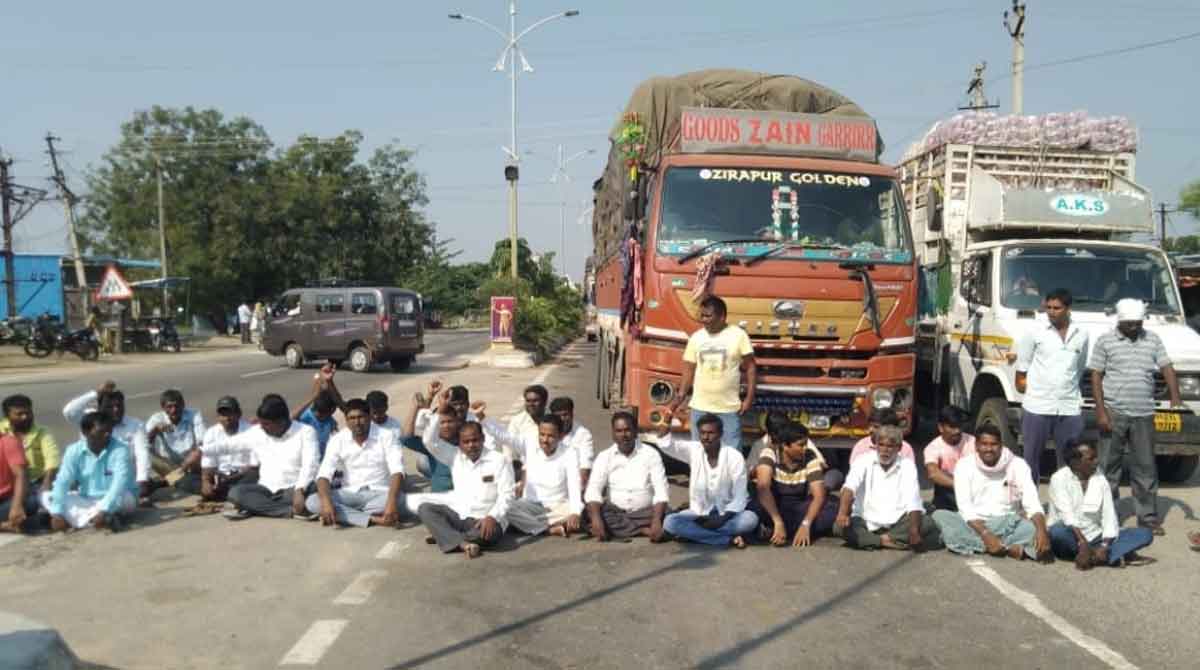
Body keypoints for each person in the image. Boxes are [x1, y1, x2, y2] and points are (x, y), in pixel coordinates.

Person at [1090, 298, 1181, 536]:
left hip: (1144, 413)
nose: (1133, 327)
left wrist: (1175, 395)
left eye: (1137, 323)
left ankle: (1148, 517)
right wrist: (1100, 411)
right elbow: (1096, 376)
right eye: (1129, 323)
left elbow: (1166, 367)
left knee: (1145, 467)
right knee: (1109, 467)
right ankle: (1109, 515)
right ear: (1120, 321)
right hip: (1113, 412)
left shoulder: (1152, 339)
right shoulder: (1105, 341)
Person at [931, 425, 1052, 561]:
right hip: (974, 524)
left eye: (994, 444)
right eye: (984, 444)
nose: (989, 449)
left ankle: (984, 546)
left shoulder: (1018, 464)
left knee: (1034, 530)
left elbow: (1032, 503)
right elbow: (965, 508)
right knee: (939, 515)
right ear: (976, 446)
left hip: (1008, 523)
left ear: (1001, 445)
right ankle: (1008, 548)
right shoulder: (964, 465)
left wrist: (1042, 531)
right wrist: (985, 533)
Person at [1016, 288, 1089, 483]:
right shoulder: (1035, 331)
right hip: (1037, 406)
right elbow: (1022, 365)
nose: (1051, 312)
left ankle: (1065, 507)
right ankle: (1031, 507)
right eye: (1048, 307)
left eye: (1057, 308)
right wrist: (1027, 390)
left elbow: (1079, 367)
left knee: (1070, 462)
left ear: (1068, 309)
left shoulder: (1081, 333)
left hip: (1069, 406)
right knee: (1030, 460)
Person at [652, 413, 757, 548]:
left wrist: (721, 519)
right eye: (702, 433)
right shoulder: (694, 450)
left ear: (720, 434)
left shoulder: (734, 457)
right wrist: (666, 419)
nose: (706, 437)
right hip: (699, 513)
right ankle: (725, 540)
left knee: (749, 520)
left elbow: (740, 496)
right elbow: (664, 443)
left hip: (727, 514)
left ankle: (694, 535)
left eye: (711, 433)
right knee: (670, 522)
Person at [1047, 442, 1154, 569]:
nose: (1097, 461)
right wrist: (1082, 543)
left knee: (1145, 534)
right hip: (1071, 536)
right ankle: (1107, 556)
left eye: (1096, 457)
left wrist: (1105, 546)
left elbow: (1109, 517)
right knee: (1057, 532)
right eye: (1091, 459)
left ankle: (1092, 557)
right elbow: (1067, 516)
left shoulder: (1100, 478)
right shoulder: (1059, 479)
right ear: (1075, 463)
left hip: (1095, 536)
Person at [668, 295, 757, 448]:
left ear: (722, 316)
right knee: (700, 453)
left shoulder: (738, 335)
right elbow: (689, 370)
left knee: (732, 454)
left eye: (708, 316)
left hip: (728, 409)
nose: (703, 319)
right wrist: (680, 397)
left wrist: (749, 398)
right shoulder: (696, 338)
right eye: (701, 315)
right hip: (700, 408)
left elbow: (750, 367)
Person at [417, 421, 515, 558]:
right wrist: (438, 413)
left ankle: (446, 536)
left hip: (484, 521)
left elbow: (508, 494)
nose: (471, 445)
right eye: (466, 442)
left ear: (483, 439)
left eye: (475, 440)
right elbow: (429, 441)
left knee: (489, 533)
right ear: (460, 443)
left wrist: (493, 516)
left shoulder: (499, 460)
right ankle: (460, 542)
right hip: (460, 517)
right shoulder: (454, 456)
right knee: (425, 508)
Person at [836, 425, 942, 551]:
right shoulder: (862, 460)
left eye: (890, 446)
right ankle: (887, 541)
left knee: (927, 523)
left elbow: (913, 500)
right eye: (881, 445)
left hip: (898, 521)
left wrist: (913, 531)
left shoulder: (907, 465)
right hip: (865, 520)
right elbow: (849, 487)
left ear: (899, 448)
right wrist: (842, 513)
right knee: (839, 527)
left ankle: (870, 540)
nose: (885, 450)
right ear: (875, 445)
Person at [219, 395, 320, 520]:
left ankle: (256, 507)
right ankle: (290, 511)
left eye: (266, 424)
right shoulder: (259, 432)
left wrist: (300, 489)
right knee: (236, 493)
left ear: (281, 422)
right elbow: (231, 444)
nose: (262, 427)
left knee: (314, 489)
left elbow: (311, 464)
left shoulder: (306, 432)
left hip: (293, 488)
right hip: (266, 489)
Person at [307, 398, 405, 528]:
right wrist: (326, 502)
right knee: (313, 501)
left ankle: (343, 515)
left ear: (369, 417)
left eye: (361, 417)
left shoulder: (387, 436)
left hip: (380, 492)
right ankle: (375, 519)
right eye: (351, 418)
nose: (357, 422)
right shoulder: (338, 439)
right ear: (346, 421)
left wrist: (391, 501)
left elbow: (397, 471)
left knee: (401, 500)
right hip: (350, 492)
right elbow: (324, 474)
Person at [748, 420, 842, 547]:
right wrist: (778, 521)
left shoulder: (809, 455)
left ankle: (772, 531)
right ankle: (781, 529)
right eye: (800, 445)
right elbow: (763, 488)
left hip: (799, 507)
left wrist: (806, 524)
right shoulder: (770, 453)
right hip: (774, 505)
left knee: (833, 505)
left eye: (805, 445)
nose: (804, 449)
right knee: (752, 508)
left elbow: (818, 495)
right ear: (785, 446)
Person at [584, 411, 669, 542]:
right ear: (613, 434)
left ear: (636, 432)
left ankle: (623, 530)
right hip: (615, 513)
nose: (624, 435)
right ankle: (643, 530)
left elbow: (661, 490)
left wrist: (657, 520)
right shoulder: (604, 456)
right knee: (590, 512)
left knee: (669, 517)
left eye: (628, 430)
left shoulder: (651, 454)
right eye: (618, 431)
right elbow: (594, 489)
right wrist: (596, 519)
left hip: (646, 513)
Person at [63, 382, 152, 503]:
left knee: (121, 501)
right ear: (99, 408)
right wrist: (96, 393)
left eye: (119, 406)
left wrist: (142, 480)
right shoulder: (89, 419)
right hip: (90, 483)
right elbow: (69, 411)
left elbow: (142, 454)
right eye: (110, 407)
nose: (116, 410)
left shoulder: (136, 425)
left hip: (121, 483)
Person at [47, 411, 136, 531]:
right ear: (85, 432)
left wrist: (104, 510)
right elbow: (63, 480)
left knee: (126, 498)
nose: (107, 435)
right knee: (46, 496)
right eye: (101, 432)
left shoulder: (121, 449)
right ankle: (98, 520)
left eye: (109, 431)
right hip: (85, 499)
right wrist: (56, 513)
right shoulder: (73, 450)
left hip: (116, 497)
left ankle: (82, 520)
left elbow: (119, 484)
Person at [505, 414, 584, 537]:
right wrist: (482, 417)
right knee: (506, 508)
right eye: (542, 435)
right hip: (530, 504)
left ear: (561, 436)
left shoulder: (570, 453)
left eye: (550, 436)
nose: (545, 440)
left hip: (558, 506)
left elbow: (574, 485)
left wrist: (575, 513)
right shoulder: (530, 445)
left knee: (578, 510)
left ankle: (526, 524)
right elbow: (505, 437)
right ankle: (547, 529)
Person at [145, 389, 206, 494]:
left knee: (203, 451)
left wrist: (195, 455)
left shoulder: (194, 415)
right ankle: (176, 478)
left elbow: (203, 441)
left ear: (183, 405)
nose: (174, 410)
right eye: (169, 407)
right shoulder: (156, 419)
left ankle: (169, 481)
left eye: (176, 406)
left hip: (192, 462)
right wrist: (154, 431)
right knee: (144, 453)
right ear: (163, 408)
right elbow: (143, 443)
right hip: (169, 464)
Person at [1, 394, 61, 498]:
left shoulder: (43, 432)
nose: (25, 417)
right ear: (7, 416)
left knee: (40, 502)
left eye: (28, 413)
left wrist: (46, 484)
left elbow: (52, 458)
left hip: (34, 483)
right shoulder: (2, 431)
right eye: (19, 414)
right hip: (6, 485)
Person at [198, 396, 255, 502]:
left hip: (244, 476)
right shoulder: (211, 433)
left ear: (239, 414)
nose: (227, 418)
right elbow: (208, 464)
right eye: (223, 415)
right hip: (222, 477)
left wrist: (234, 477)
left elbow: (254, 466)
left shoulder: (250, 431)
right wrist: (206, 482)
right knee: (189, 482)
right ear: (218, 416)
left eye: (230, 413)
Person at [923, 406, 976, 512]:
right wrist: (960, 485)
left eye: (959, 426)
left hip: (973, 490)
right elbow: (933, 473)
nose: (957, 431)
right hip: (948, 494)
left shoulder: (973, 441)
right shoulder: (932, 448)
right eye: (952, 427)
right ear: (941, 427)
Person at [294, 368, 343, 459]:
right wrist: (313, 397)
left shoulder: (330, 421)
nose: (318, 416)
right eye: (317, 413)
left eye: (323, 415)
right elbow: (291, 419)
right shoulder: (306, 417)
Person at [550, 397, 595, 494]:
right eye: (558, 416)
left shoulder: (583, 434)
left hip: (574, 485)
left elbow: (585, 467)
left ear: (572, 414)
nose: (562, 419)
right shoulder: (547, 432)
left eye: (565, 415)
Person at [848, 408, 915, 465]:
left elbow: (909, 473)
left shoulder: (905, 448)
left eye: (876, 427)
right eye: (870, 426)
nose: (870, 430)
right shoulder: (861, 445)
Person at [0, 429, 34, 533]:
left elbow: (21, 475)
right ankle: (4, 526)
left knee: (32, 502)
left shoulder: (8, 442)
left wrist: (16, 506)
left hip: (8, 500)